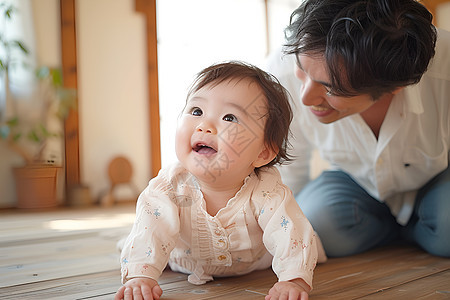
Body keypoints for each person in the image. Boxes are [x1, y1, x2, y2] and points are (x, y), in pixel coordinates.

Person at [115, 61, 320, 300]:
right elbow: (151, 229)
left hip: (255, 263)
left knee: (305, 237)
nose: (205, 126)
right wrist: (141, 277)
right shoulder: (170, 186)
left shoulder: (267, 191)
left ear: (262, 153)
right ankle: (133, 255)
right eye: (196, 111)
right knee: (143, 240)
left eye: (229, 117)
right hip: (182, 261)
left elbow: (290, 233)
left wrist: (294, 280)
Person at [266, 0, 450, 259]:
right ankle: (406, 231)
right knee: (313, 227)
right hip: (352, 181)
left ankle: (426, 227)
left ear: (396, 85)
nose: (305, 98)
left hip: (438, 178)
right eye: (302, 69)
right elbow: (285, 168)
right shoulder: (282, 69)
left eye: (331, 88)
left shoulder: (444, 68)